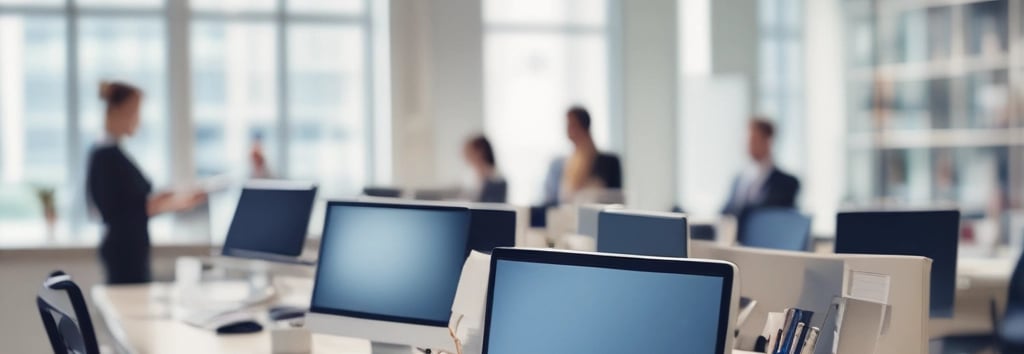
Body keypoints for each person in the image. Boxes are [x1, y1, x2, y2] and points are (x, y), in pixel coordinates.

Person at [86, 81, 206, 284]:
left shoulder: (113, 153)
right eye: (134, 112)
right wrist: (176, 203)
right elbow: (121, 210)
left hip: (131, 249)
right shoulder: (105, 156)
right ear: (119, 111)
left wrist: (172, 198)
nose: (137, 120)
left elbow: (132, 202)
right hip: (124, 252)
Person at [543, 106, 622, 205]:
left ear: (584, 126)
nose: (568, 130)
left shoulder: (608, 163)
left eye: (572, 125)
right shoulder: (560, 164)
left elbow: (614, 200)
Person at [722, 117, 800, 216]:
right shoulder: (738, 180)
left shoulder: (787, 183)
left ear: (768, 141)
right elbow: (725, 212)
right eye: (746, 140)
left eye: (753, 140)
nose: (748, 145)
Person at [462, 134, 507, 203]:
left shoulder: (496, 178)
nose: (465, 155)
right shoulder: (470, 176)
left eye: (469, 151)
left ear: (480, 152)